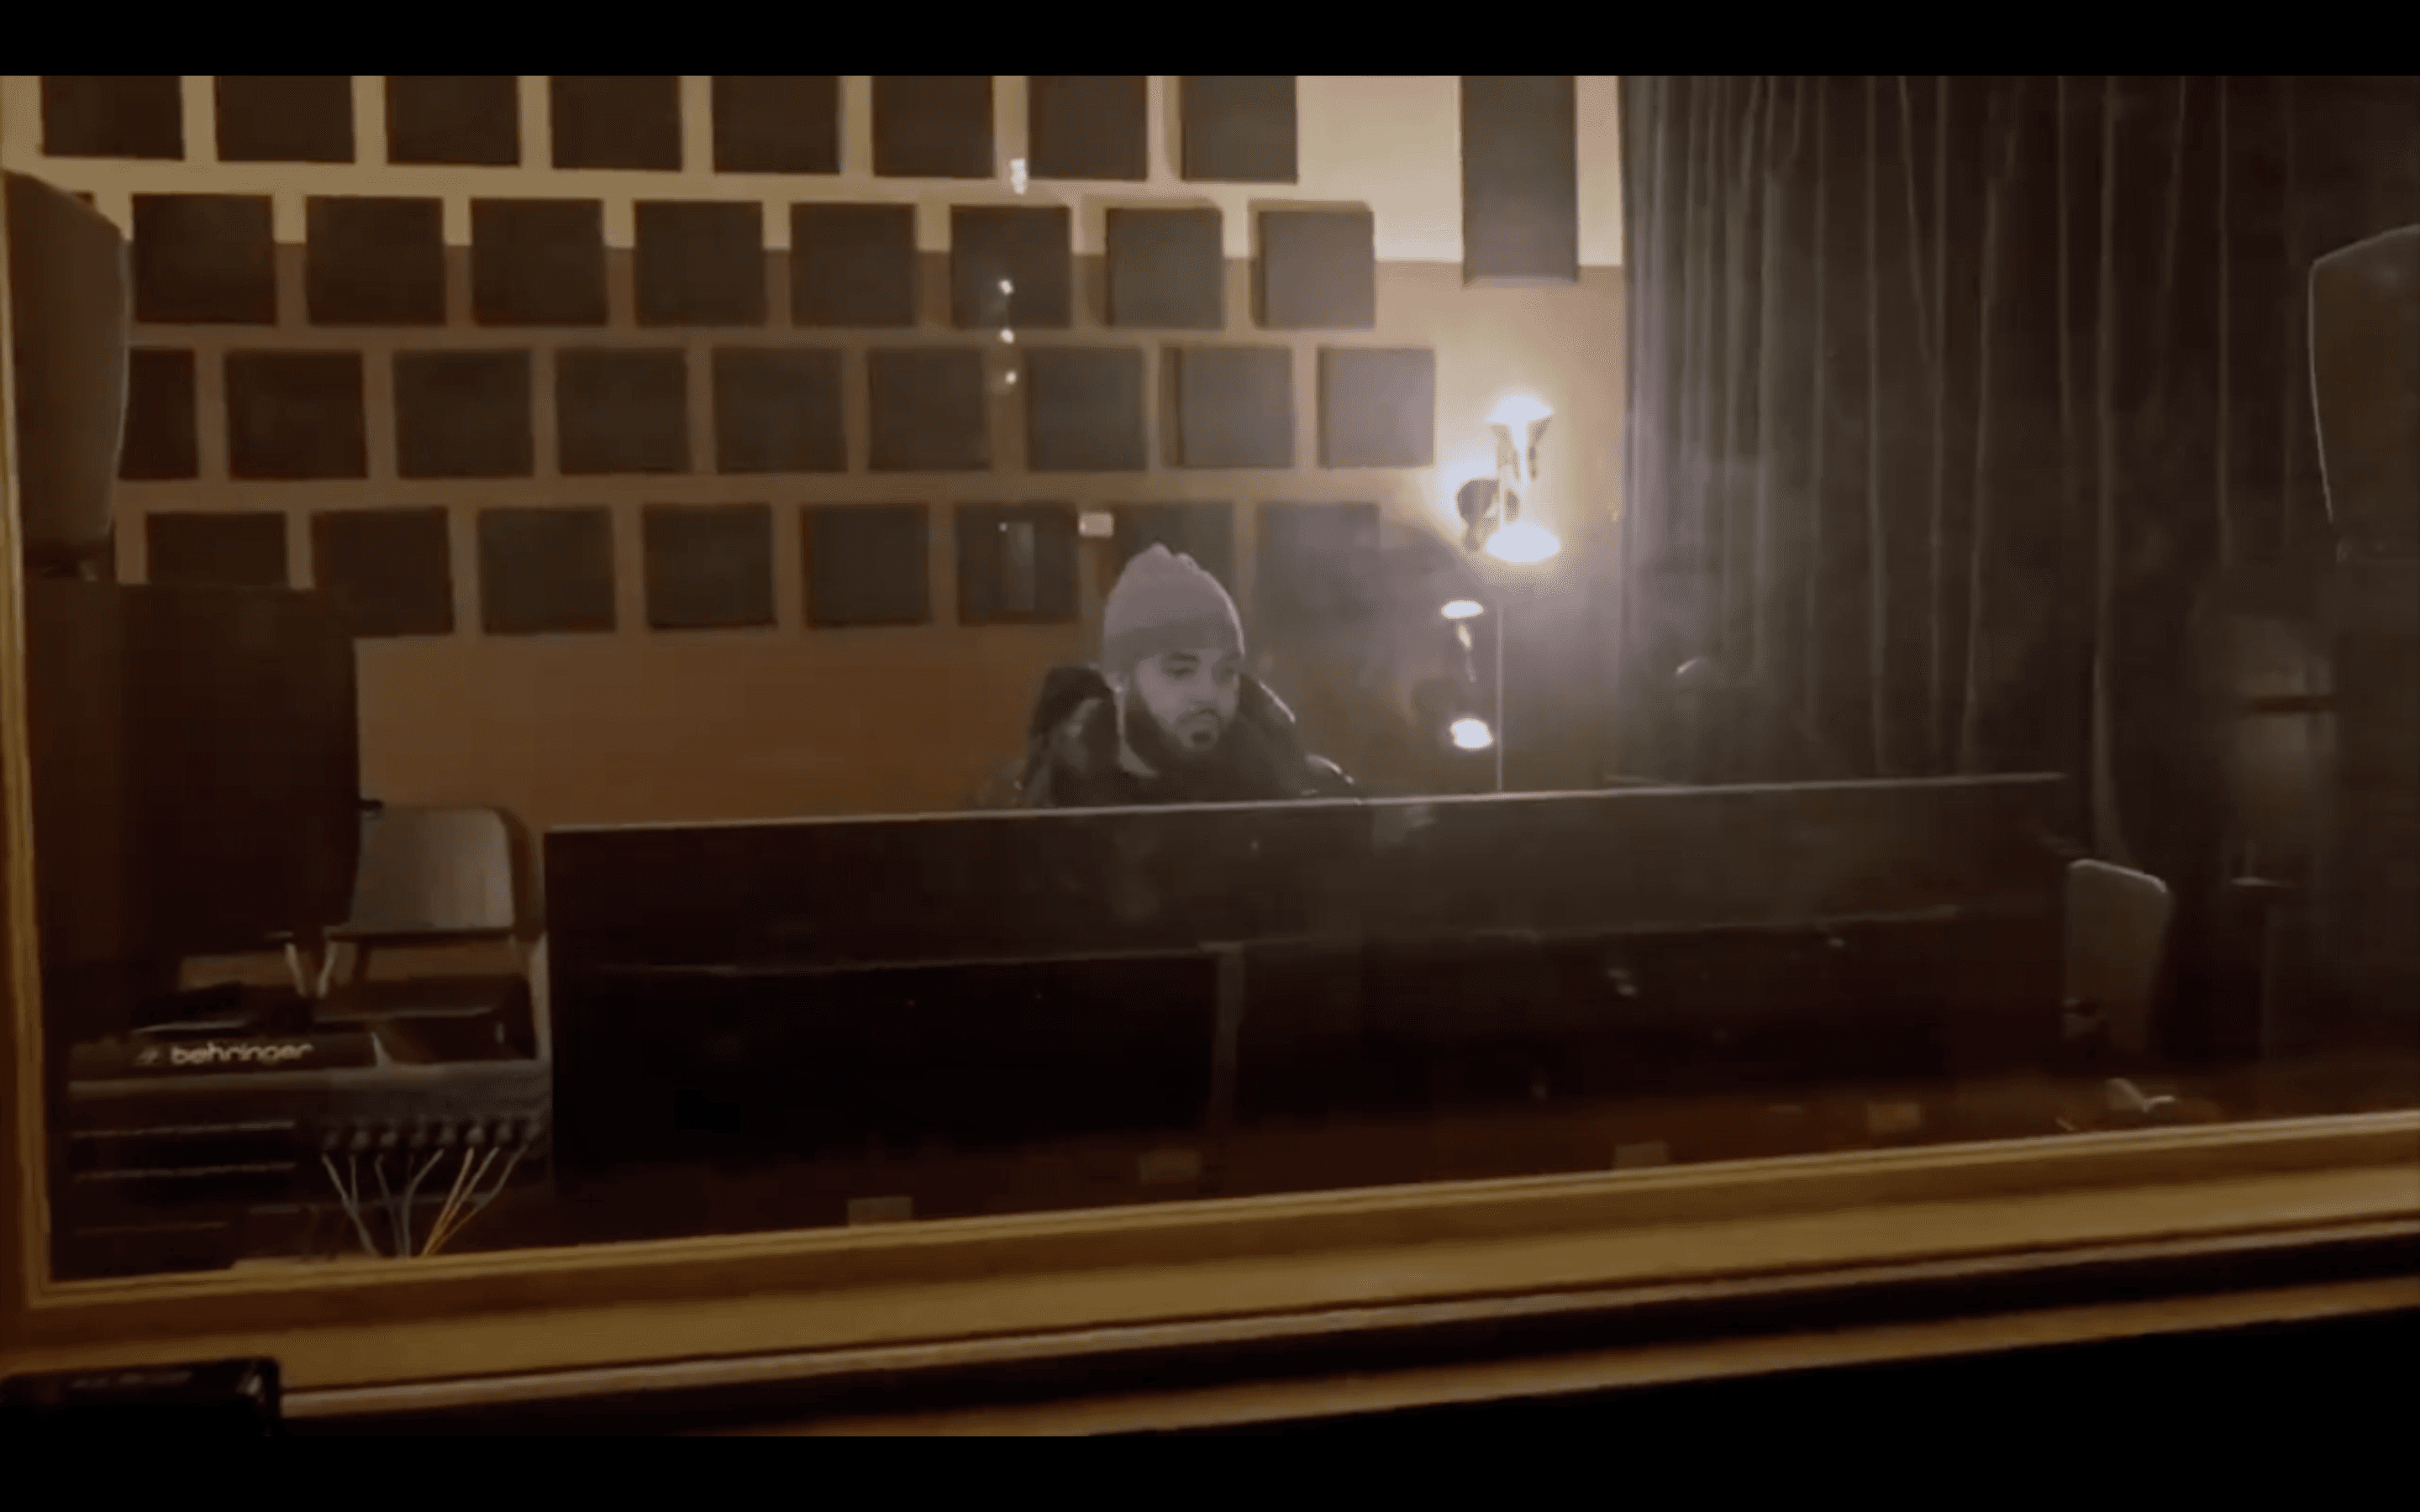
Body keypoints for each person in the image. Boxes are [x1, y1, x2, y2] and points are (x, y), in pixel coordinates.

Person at [1017, 545, 1354, 808]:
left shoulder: (1285, 789)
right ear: (1118, 676)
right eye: (1180, 671)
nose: (1209, 694)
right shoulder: (1054, 798)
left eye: (1226, 672)